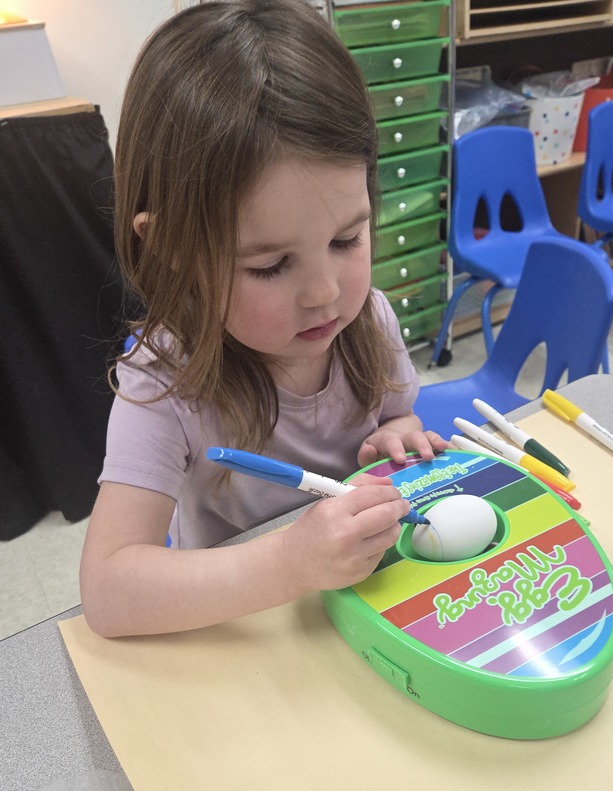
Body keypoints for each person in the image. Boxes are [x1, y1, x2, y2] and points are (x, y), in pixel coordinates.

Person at [80, 0, 448, 639]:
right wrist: (290, 562)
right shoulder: (163, 383)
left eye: (347, 239)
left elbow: (397, 416)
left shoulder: (371, 321)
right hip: (253, 638)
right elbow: (108, 593)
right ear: (172, 246)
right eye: (271, 265)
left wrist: (400, 434)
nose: (325, 293)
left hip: (377, 621)